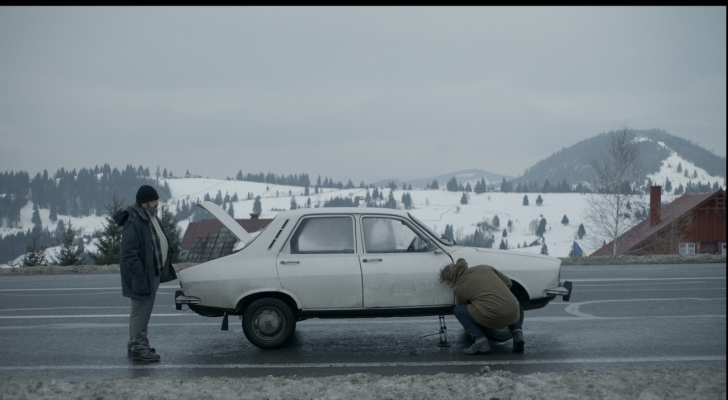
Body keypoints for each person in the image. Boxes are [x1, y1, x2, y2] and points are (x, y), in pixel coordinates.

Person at [113, 185, 177, 362]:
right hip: (142, 275)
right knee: (141, 312)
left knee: (143, 312)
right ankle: (139, 348)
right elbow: (129, 253)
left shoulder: (148, 217)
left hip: (150, 273)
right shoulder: (134, 221)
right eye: (154, 201)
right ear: (144, 203)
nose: (157, 204)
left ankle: (136, 344)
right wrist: (140, 276)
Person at [439, 258, 524, 354]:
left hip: (494, 316)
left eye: (448, 283)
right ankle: (518, 334)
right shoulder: (485, 268)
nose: (450, 286)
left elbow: (463, 306)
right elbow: (508, 283)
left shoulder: (458, 287)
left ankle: (481, 342)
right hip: (515, 312)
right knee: (507, 301)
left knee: (458, 310)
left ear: (452, 278)